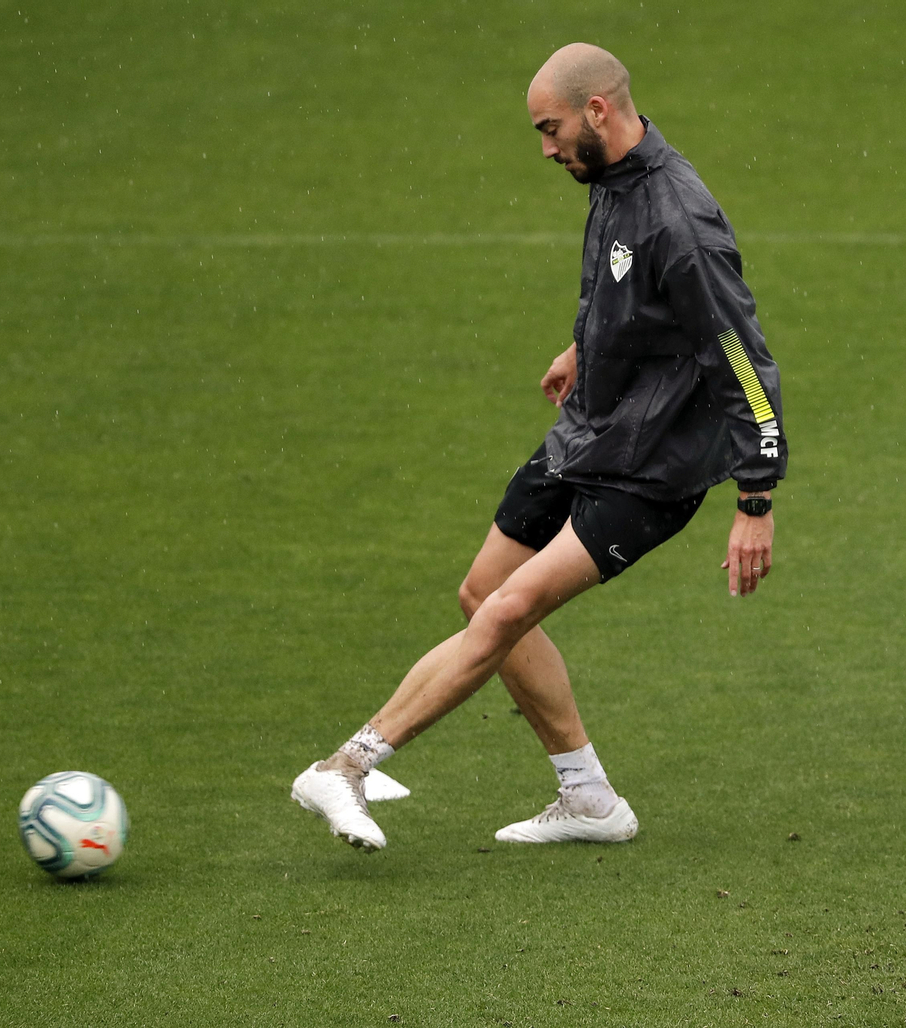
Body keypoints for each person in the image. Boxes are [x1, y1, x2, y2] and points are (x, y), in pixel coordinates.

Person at [290, 42, 788, 851]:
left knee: (515, 604)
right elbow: (623, 292)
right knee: (485, 593)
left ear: (598, 111)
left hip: (653, 465)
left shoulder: (679, 218)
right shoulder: (611, 179)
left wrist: (756, 498)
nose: (547, 147)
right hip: (592, 426)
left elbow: (741, 354)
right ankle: (588, 796)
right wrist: (583, 348)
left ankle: (349, 762)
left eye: (550, 128)